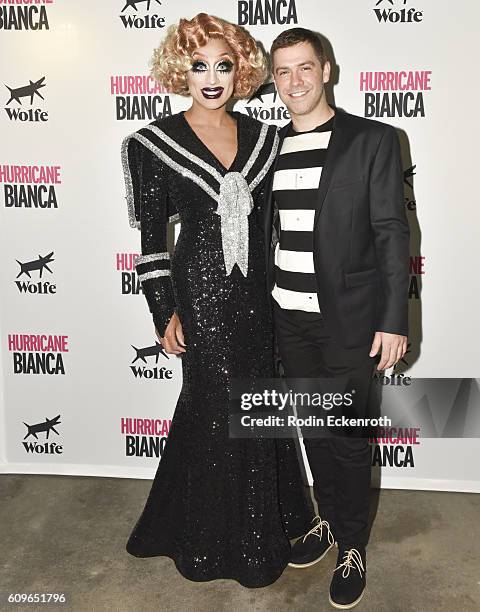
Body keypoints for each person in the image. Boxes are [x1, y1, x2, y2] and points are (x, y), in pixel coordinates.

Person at [120, 14, 314, 588]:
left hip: (261, 296)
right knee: (212, 405)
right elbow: (152, 243)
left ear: (241, 71)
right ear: (181, 68)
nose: (211, 77)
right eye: (199, 64)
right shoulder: (151, 144)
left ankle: (263, 530)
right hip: (199, 299)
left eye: (223, 65)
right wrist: (163, 311)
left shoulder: (267, 139)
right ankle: (204, 538)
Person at [263, 28, 410, 608]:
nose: (294, 82)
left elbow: (392, 234)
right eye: (282, 72)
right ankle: (329, 521)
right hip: (288, 318)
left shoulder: (372, 139)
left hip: (349, 321)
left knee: (347, 439)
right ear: (273, 81)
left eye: (304, 68)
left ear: (327, 69)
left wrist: (393, 319)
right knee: (314, 433)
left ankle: (352, 544)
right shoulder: (269, 147)